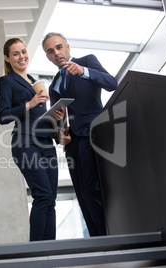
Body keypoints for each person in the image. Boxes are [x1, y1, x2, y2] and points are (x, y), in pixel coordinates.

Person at [42, 32, 118, 237]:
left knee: (93, 189)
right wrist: (60, 132)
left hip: (91, 133)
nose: (56, 53)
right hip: (72, 143)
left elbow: (112, 83)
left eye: (59, 47)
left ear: (67, 47)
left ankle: (107, 238)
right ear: (47, 56)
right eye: (50, 51)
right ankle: (97, 239)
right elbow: (60, 117)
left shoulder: (87, 61)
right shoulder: (54, 84)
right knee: (83, 194)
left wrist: (84, 71)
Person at [0, 38, 61, 241]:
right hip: (25, 142)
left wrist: (56, 123)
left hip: (46, 144)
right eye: (15, 54)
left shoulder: (35, 81)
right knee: (42, 195)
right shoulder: (6, 81)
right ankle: (36, 253)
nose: (21, 56)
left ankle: (50, 251)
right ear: (8, 58)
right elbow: (3, 116)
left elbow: (40, 120)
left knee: (50, 199)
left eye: (23, 51)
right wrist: (29, 103)